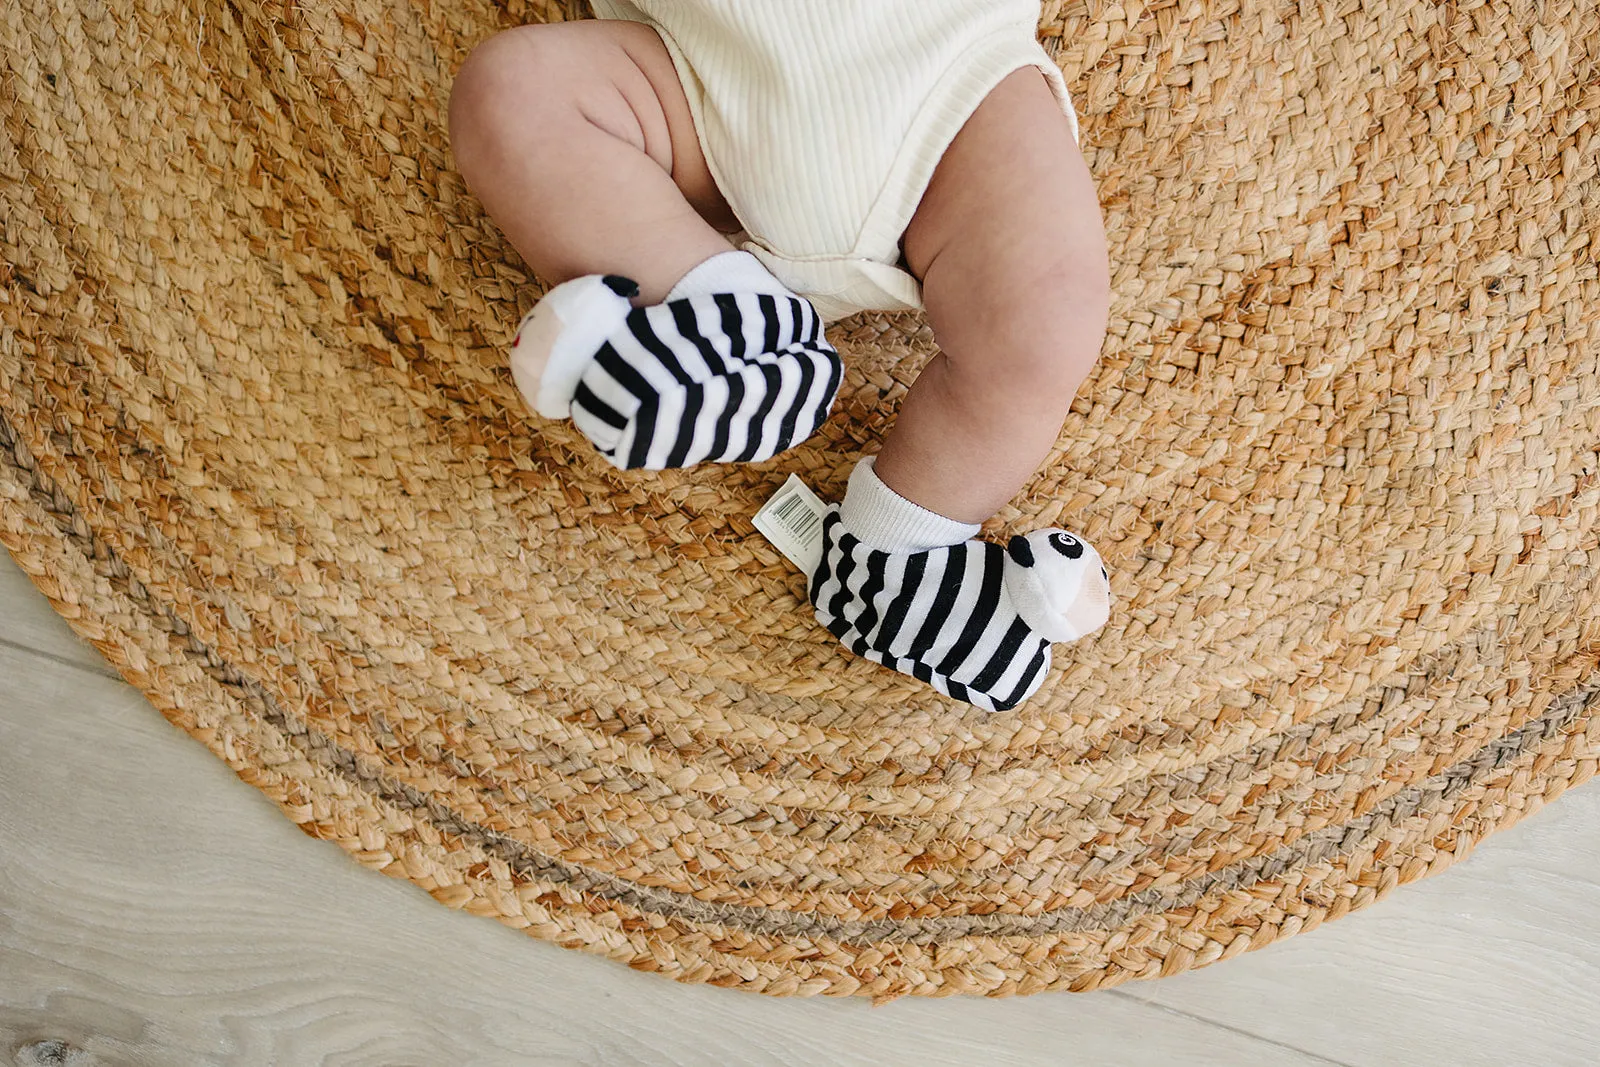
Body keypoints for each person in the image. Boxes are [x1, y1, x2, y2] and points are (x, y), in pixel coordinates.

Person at [447, 1, 1113, 711]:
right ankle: (725, 314)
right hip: (702, 75)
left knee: (1046, 309)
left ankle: (899, 546)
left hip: (946, 82)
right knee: (508, 93)